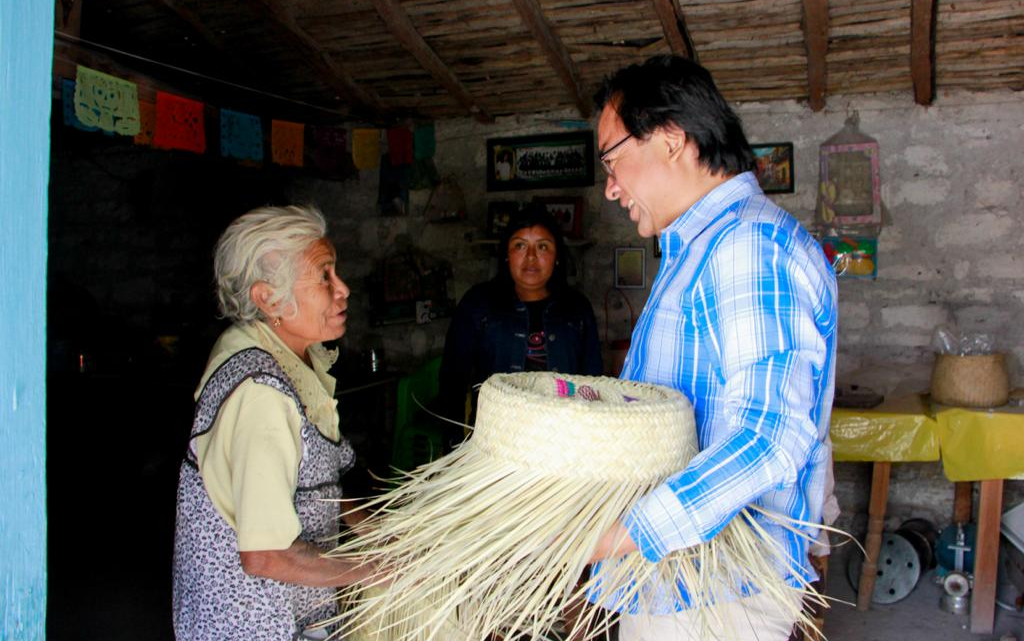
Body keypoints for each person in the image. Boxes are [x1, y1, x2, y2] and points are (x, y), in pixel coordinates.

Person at [587, 55, 838, 641]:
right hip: (682, 585)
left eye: (612, 158)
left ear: (672, 139)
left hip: (715, 597)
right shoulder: (702, 248)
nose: (610, 188)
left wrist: (625, 532)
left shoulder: (748, 246)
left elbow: (769, 437)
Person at [173, 205, 373, 641]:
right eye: (324, 277)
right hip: (255, 624)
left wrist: (366, 525)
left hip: (298, 612)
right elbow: (265, 554)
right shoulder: (261, 393)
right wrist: (379, 572)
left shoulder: (275, 351)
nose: (343, 290)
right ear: (268, 298)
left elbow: (298, 484)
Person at [438, 205, 603, 434]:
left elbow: (594, 382)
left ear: (557, 257)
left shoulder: (576, 308)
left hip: (565, 440)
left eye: (543, 246)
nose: (531, 257)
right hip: (497, 440)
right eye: (520, 245)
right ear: (506, 255)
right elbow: (452, 380)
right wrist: (453, 445)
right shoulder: (478, 304)